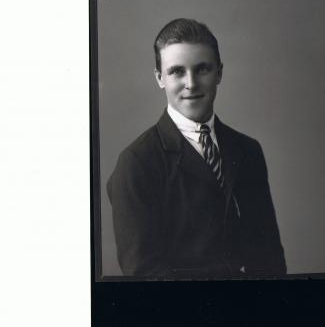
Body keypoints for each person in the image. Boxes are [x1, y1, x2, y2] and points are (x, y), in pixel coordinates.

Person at [107, 18, 286, 279]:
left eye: (202, 69)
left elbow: (270, 258)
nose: (191, 83)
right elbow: (145, 275)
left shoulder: (247, 150)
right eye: (177, 71)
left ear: (219, 73)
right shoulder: (136, 162)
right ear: (159, 78)